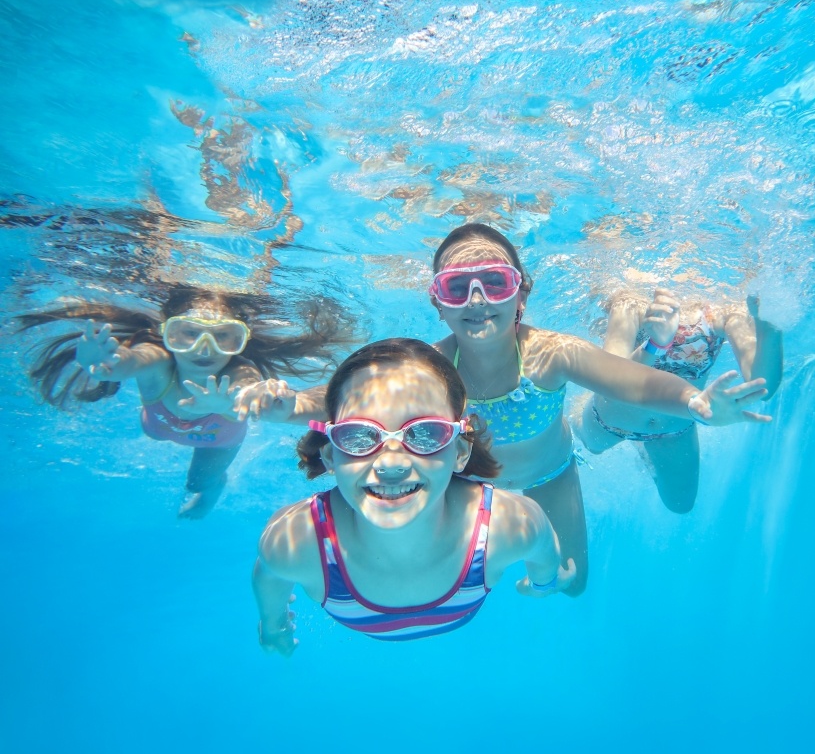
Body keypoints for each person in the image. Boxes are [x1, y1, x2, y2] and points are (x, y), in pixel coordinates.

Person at [239, 224, 772, 594]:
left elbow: (632, 382)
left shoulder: (550, 355)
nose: (476, 299)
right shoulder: (432, 368)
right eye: (457, 288)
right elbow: (354, 402)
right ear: (438, 303)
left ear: (521, 294)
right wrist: (287, 405)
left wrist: (695, 402)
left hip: (550, 475)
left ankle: (627, 436)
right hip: (465, 488)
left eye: (493, 282)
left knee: (572, 582)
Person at [252, 338, 574, 653]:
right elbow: (268, 578)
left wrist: (544, 581)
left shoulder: (510, 526)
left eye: (425, 433)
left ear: (460, 451)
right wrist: (273, 625)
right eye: (359, 436)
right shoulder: (294, 541)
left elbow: (544, 546)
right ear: (331, 456)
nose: (391, 464)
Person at [17, 285, 354, 518]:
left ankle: (212, 491)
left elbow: (246, 390)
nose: (204, 349)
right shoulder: (158, 361)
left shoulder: (240, 370)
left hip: (217, 442)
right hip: (159, 427)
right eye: (188, 334)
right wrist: (109, 363)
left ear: (241, 341)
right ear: (167, 334)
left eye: (224, 336)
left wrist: (241, 401)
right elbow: (131, 361)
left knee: (198, 482)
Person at [572, 287, 784, 513]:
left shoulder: (724, 312)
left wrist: (769, 330)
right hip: (610, 421)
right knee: (590, 446)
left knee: (680, 504)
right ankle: (578, 407)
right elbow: (608, 381)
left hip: (675, 428)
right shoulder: (631, 302)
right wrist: (655, 344)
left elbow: (762, 387)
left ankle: (644, 448)